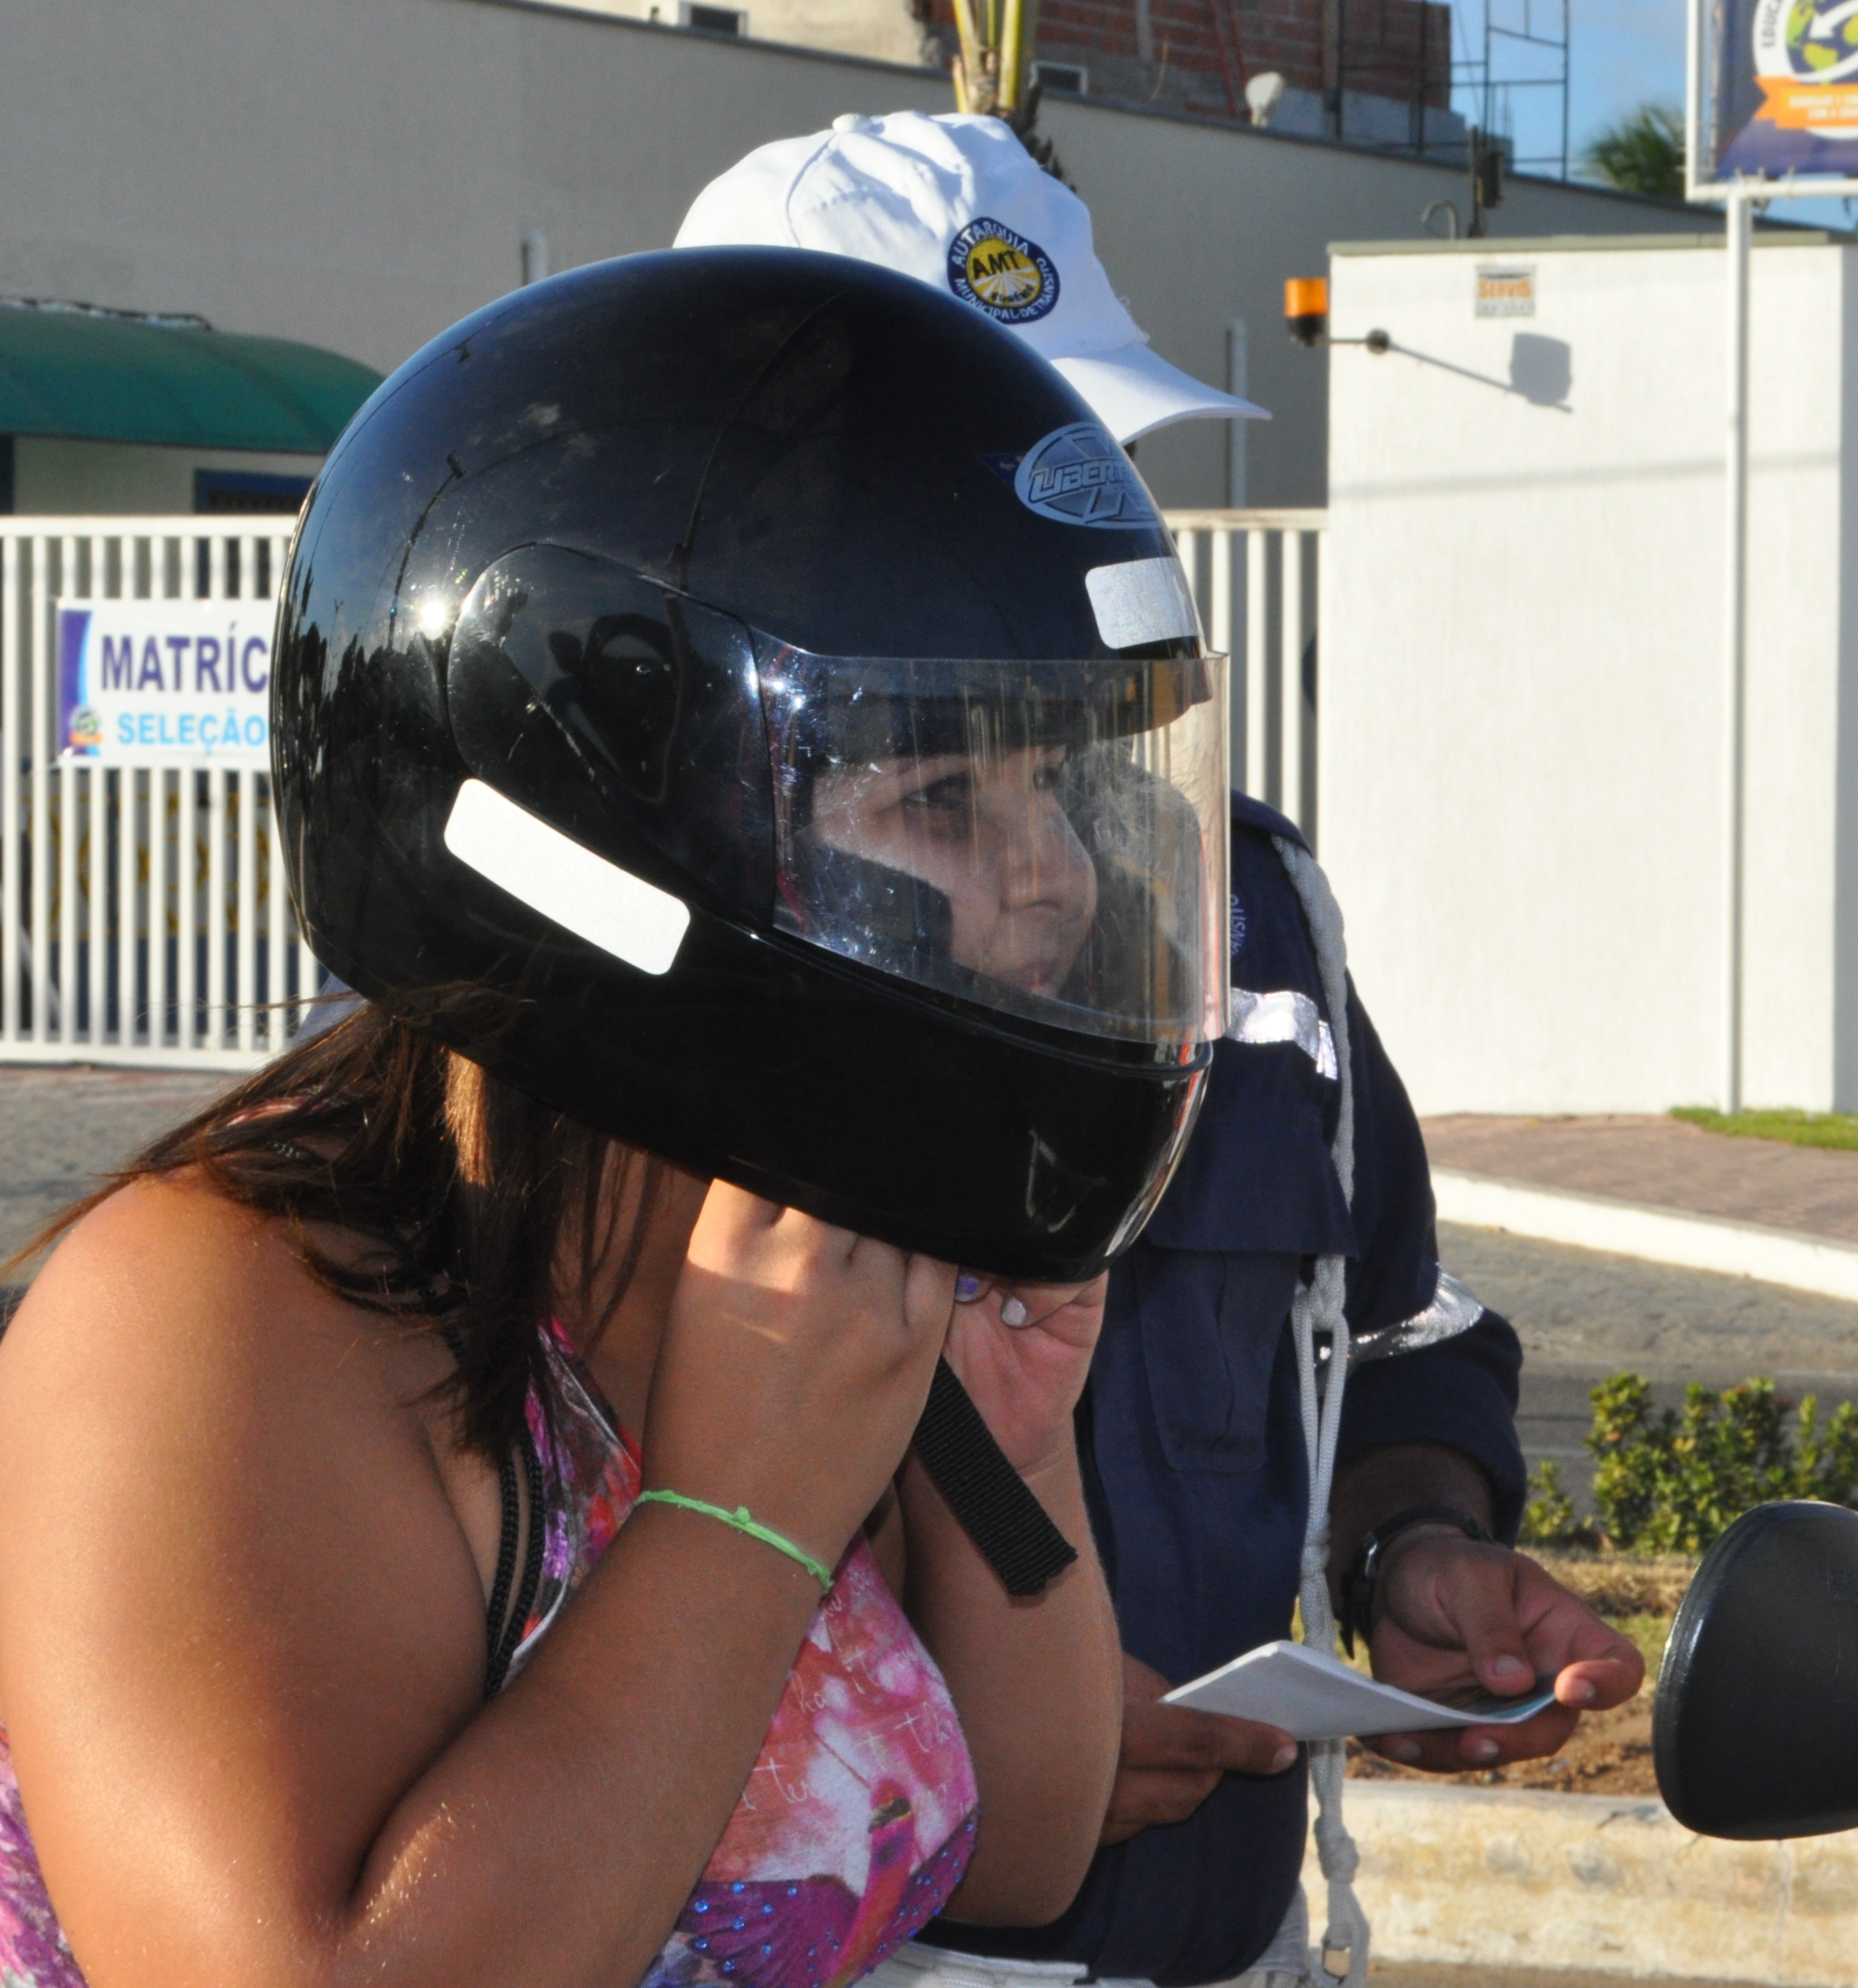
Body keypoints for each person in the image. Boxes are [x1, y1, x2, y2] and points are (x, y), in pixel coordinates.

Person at [0, 243, 1233, 1988]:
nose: (1054, 877)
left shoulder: (796, 1262)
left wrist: (1014, 1456)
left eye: (1057, 783)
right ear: (601, 829)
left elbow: (1021, 1849)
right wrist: (738, 1524)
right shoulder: (211, 1312)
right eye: (945, 794)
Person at [676, 113, 1647, 1988]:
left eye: (1085, 472)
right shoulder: (617, 981)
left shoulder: (1246, 915)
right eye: (969, 484)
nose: (1056, 549)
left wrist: (1415, 1550)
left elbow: (1392, 1336)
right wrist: (971, 1737)